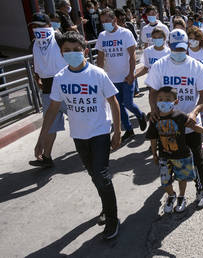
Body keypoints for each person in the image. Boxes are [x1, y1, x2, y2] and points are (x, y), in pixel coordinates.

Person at [34, 31, 122, 240]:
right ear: (61, 53)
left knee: (102, 175)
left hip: (100, 132)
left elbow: (114, 103)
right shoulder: (60, 78)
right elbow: (53, 109)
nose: (71, 54)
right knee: (94, 175)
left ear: (84, 51)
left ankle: (112, 219)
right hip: (79, 136)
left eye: (76, 50)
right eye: (67, 51)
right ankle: (105, 207)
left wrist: (117, 131)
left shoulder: (97, 73)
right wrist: (41, 139)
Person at [145, 29, 203, 208]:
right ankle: (174, 194)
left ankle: (200, 189)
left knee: (197, 158)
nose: (179, 53)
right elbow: (152, 91)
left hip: (189, 124)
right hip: (167, 126)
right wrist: (153, 109)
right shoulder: (160, 66)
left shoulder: (196, 66)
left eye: (182, 49)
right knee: (168, 160)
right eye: (175, 49)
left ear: (187, 46)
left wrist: (195, 112)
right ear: (169, 46)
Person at [146, 86, 203, 213]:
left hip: (182, 155)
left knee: (182, 178)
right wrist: (154, 154)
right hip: (164, 156)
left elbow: (194, 126)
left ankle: (181, 196)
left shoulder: (179, 116)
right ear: (156, 101)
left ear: (175, 101)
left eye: (167, 99)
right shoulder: (155, 118)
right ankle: (171, 195)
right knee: (165, 181)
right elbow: (153, 138)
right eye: (160, 99)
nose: (163, 102)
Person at [96, 8, 147, 142]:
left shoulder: (125, 34)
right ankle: (129, 130)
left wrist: (132, 74)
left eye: (107, 20)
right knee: (118, 106)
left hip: (126, 76)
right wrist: (99, 76)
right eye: (102, 21)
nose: (105, 23)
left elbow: (132, 55)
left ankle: (140, 115)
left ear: (114, 20)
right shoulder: (102, 36)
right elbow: (100, 58)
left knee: (128, 103)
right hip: (110, 78)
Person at [28, 13, 68, 168]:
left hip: (65, 88)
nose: (37, 29)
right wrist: (37, 76)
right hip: (48, 90)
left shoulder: (59, 38)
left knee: (82, 119)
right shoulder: (35, 43)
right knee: (50, 124)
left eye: (40, 25)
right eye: (34, 26)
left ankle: (96, 146)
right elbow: (35, 62)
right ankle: (47, 156)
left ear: (48, 25)